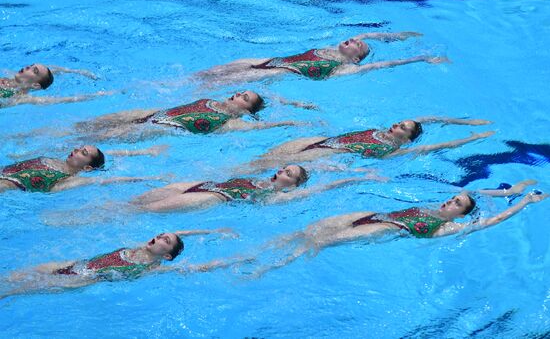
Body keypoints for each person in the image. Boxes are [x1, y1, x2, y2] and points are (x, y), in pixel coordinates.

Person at [245, 180, 548, 276]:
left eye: (455, 204)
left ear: (460, 215)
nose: (448, 202)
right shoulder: (435, 208)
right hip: (370, 215)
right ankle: (240, 258)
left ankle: (264, 269)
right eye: (451, 199)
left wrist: (524, 203)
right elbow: (475, 191)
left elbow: (492, 220)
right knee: (304, 231)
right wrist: (512, 190)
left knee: (320, 242)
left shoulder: (447, 229)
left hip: (382, 229)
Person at [1, 228, 239, 299]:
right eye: (159, 235)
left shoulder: (153, 268)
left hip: (82, 279)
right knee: (16, 275)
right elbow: (178, 231)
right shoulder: (136, 247)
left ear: (166, 256)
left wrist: (231, 261)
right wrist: (211, 231)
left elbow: (193, 269)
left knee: (19, 289)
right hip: (76, 263)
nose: (157, 238)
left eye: (164, 241)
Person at [19, 91, 303, 142]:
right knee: (83, 125)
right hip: (149, 115)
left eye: (245, 98)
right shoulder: (211, 100)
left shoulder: (231, 123)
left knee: (94, 137)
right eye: (241, 91)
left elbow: (255, 129)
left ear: (246, 110)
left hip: (154, 130)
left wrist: (289, 121)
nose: (238, 94)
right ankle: (28, 135)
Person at [241, 116, 494, 173]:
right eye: (398, 123)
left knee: (264, 167)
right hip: (318, 142)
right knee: (260, 159)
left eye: (403, 128)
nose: (396, 126)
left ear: (407, 139)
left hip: (325, 156)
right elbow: (425, 119)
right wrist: (457, 120)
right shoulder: (377, 130)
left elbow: (432, 147)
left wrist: (472, 138)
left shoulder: (392, 150)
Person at [194, 31, 447, 86]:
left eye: (359, 45)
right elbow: (365, 33)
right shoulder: (330, 48)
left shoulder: (343, 68)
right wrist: (394, 36)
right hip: (265, 59)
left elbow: (383, 64)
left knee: (212, 84)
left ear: (356, 58)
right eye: (354, 40)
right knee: (206, 73)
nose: (355, 40)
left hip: (272, 72)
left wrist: (421, 58)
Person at [131, 164, 383, 212]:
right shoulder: (256, 178)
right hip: (202, 185)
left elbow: (315, 191)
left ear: (293, 185)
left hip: (211, 198)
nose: (281, 171)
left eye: (289, 173)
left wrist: (354, 178)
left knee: (140, 211)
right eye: (284, 168)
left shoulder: (276, 197)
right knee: (131, 203)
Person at [0, 144, 166, 193]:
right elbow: (110, 152)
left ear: (87, 167)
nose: (75, 150)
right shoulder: (55, 157)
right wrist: (144, 151)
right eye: (79, 148)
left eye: (83, 152)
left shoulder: (68, 179)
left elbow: (106, 180)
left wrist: (150, 179)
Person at [0, 63, 110, 108]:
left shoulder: (19, 97)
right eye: (30, 66)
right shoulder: (9, 75)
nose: (27, 67)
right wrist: (76, 71)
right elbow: (54, 69)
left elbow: (62, 100)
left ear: (35, 85)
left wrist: (98, 95)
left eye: (35, 71)